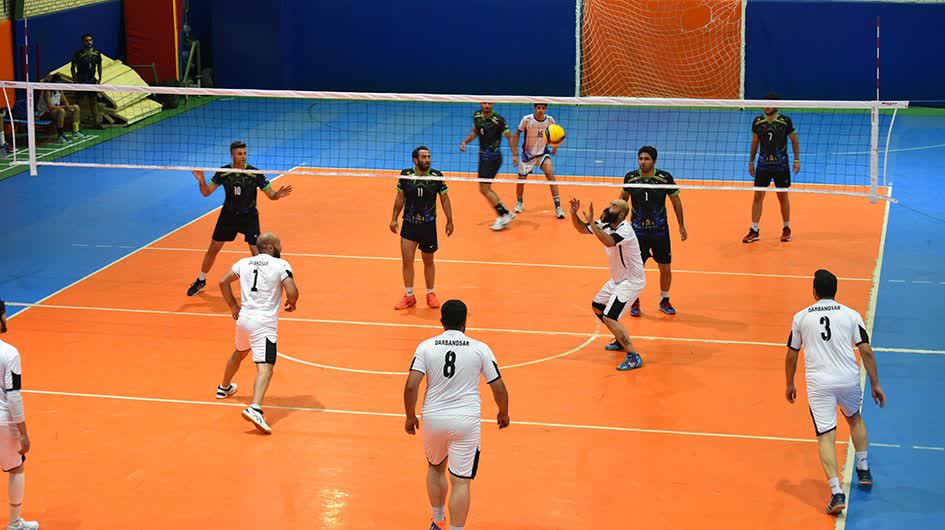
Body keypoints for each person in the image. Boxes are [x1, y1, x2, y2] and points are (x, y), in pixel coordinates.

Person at [785, 269, 885, 515]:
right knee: (855, 419)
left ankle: (837, 491)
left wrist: (789, 383)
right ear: (836, 290)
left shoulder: (801, 317)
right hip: (848, 379)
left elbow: (791, 355)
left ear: (814, 291)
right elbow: (866, 351)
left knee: (826, 436)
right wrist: (875, 384)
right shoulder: (851, 315)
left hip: (820, 384)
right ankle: (863, 468)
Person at [403, 299, 510, 530]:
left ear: (442, 321)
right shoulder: (480, 348)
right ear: (465, 322)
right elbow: (499, 387)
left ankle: (438, 521)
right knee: (461, 481)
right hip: (465, 421)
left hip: (433, 418)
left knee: (435, 468)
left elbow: (411, 386)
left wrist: (410, 416)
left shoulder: (426, 347)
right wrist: (503, 412)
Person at [215, 232, 299, 434]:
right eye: (279, 244)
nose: (281, 247)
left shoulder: (244, 262)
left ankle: (224, 388)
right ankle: (255, 408)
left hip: (244, 320)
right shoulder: (281, 265)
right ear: (270, 247)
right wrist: (293, 302)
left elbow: (223, 281)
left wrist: (233, 306)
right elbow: (292, 291)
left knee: (240, 352)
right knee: (266, 367)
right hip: (263, 323)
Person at [186, 141, 293, 296]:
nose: (243, 157)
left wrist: (277, 194)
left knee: (257, 252)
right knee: (214, 248)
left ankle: (265, 284)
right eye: (239, 154)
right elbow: (206, 192)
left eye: (244, 153)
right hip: (228, 215)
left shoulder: (254, 173)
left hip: (249, 216)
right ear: (232, 155)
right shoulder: (223, 172)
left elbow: (271, 194)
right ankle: (201, 280)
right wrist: (202, 181)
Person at [569, 198, 646, 371]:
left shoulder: (625, 229)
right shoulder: (604, 224)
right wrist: (574, 213)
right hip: (617, 280)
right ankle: (620, 340)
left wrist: (592, 223)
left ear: (621, 214)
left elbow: (609, 241)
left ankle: (633, 356)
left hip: (631, 281)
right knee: (598, 307)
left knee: (609, 317)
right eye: (610, 204)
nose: (608, 207)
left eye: (613, 206)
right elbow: (581, 228)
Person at [615, 145, 687, 323]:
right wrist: (616, 224)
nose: (643, 162)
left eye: (646, 159)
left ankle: (664, 300)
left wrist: (681, 226)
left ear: (654, 161)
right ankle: (634, 300)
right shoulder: (631, 178)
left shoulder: (664, 178)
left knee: (665, 267)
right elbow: (622, 202)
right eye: (640, 158)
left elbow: (676, 202)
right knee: (635, 269)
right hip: (637, 233)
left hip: (660, 232)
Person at [390, 146, 454, 310]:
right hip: (409, 225)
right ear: (415, 160)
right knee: (407, 261)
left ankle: (430, 294)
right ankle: (409, 296)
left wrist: (449, 220)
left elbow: (445, 199)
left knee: (428, 261)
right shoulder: (406, 175)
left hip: (428, 226)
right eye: (424, 157)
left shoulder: (436, 176)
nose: (427, 160)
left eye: (429, 157)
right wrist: (394, 219)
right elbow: (399, 198)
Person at [0, 300, 39, 530]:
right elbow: (13, 396)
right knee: (15, 468)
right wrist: (23, 432)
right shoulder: (9, 353)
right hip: (3, 421)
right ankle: (14, 523)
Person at [744, 92, 800, 243]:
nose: (767, 106)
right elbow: (754, 142)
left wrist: (796, 160)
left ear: (776, 106)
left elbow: (794, 141)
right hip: (763, 165)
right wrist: (751, 162)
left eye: (770, 103)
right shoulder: (757, 122)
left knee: (782, 196)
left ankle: (786, 228)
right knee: (757, 196)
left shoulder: (785, 121)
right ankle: (754, 230)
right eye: (765, 103)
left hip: (781, 165)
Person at [460, 102, 516, 231]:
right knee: (486, 188)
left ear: (493, 104)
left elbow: (510, 137)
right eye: (484, 103)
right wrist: (465, 142)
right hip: (483, 157)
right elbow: (475, 132)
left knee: (484, 189)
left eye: (489, 103)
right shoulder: (477, 116)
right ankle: (505, 212)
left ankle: (504, 214)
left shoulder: (499, 120)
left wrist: (514, 155)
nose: (486, 105)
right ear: (481, 103)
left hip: (492, 158)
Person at [510, 103, 564, 219]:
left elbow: (556, 134)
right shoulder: (527, 119)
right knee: (521, 181)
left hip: (542, 154)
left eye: (543, 108)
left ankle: (558, 207)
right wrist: (514, 154)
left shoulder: (550, 120)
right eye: (538, 108)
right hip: (527, 155)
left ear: (545, 109)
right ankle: (519, 202)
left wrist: (555, 147)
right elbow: (517, 134)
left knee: (551, 175)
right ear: (535, 108)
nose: (540, 110)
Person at [70, 33, 104, 129]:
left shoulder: (96, 53)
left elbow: (99, 65)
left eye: (90, 40)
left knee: (93, 101)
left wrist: (100, 77)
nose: (89, 42)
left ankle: (96, 123)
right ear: (83, 42)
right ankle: (77, 125)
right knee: (78, 103)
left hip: (91, 80)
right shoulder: (78, 54)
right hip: (81, 80)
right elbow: (72, 68)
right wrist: (75, 80)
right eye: (86, 40)